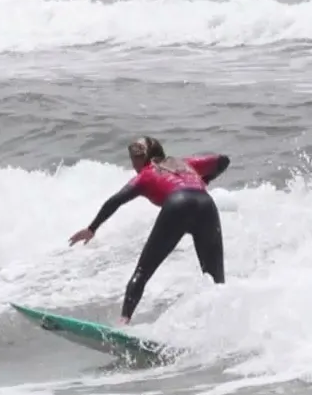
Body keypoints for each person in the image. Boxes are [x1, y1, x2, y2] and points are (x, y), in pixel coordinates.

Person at [69, 136, 231, 324]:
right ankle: (220, 324)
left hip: (178, 205)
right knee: (215, 279)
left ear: (140, 159)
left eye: (133, 160)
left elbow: (116, 200)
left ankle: (123, 322)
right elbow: (223, 161)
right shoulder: (185, 164)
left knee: (143, 272)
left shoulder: (145, 174)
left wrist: (92, 228)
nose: (133, 165)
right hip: (206, 205)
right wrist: (205, 180)